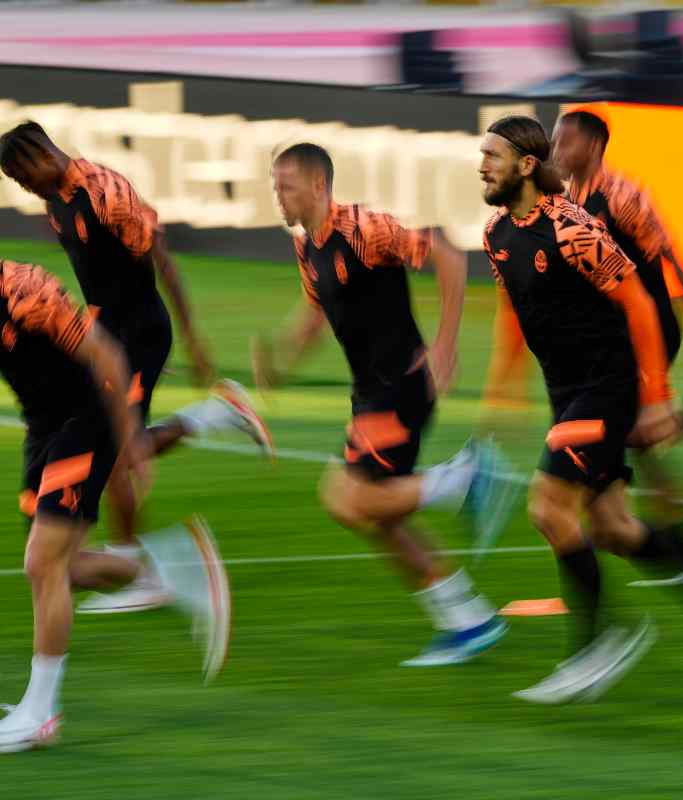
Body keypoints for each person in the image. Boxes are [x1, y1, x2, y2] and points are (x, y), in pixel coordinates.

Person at [480, 115, 683, 703]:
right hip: (566, 391)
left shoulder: (573, 226)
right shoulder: (496, 233)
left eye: (494, 156)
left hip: (606, 385)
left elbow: (639, 302)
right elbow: (516, 307)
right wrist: (505, 381)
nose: (483, 165)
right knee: (609, 525)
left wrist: (654, 397)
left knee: (548, 507)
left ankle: (598, 643)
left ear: (526, 167)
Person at [254, 143, 512, 667]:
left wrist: (445, 345)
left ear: (318, 186)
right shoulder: (309, 250)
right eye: (274, 186)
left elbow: (448, 258)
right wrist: (281, 360)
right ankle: (467, 618)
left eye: (286, 185)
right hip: (370, 394)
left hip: (402, 387)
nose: (278, 196)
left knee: (349, 499)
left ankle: (465, 477)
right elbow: (317, 312)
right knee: (377, 514)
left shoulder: (365, 230)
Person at [0, 121, 273, 614]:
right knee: (116, 448)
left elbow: (161, 262)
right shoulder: (55, 201)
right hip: (110, 335)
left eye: (22, 177)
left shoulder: (105, 192)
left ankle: (217, 417)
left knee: (124, 449)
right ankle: (136, 565)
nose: (24, 188)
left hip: (140, 332)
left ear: (39, 154)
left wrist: (186, 337)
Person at [0, 259, 229, 752]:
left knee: (43, 562)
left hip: (89, 417)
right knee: (65, 570)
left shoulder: (24, 289)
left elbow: (106, 355)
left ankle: (40, 714)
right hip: (43, 427)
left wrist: (131, 443)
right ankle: (166, 569)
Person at [550, 108, 683, 584]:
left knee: (632, 435)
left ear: (592, 146)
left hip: (650, 331)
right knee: (639, 445)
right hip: (614, 343)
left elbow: (673, 259)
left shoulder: (623, 196)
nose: (557, 151)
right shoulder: (570, 201)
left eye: (564, 141)